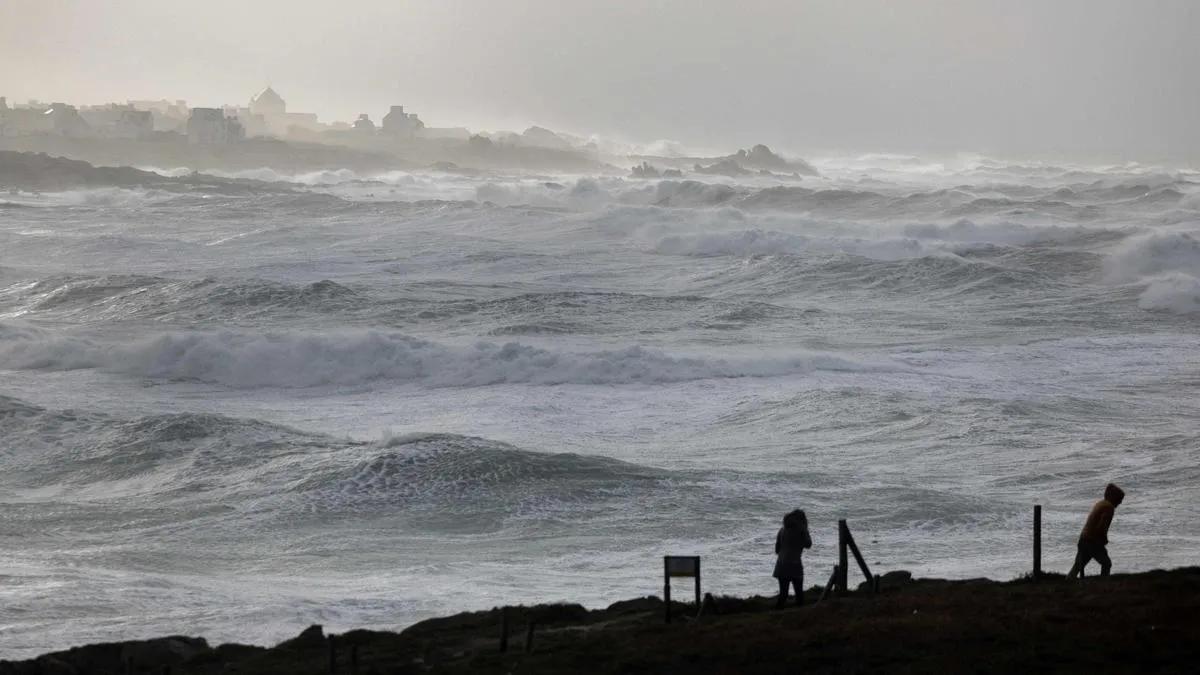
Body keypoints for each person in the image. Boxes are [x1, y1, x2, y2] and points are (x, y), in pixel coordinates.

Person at [1067, 483, 1125, 579]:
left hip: (1084, 538)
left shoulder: (1101, 503)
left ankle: (1067, 584)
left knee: (1078, 565)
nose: (1120, 502)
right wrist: (1103, 539)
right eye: (1119, 499)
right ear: (1113, 497)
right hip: (1092, 540)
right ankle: (1103, 584)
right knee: (1106, 563)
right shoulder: (1109, 507)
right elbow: (1102, 526)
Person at [773, 509, 812, 608]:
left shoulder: (782, 530)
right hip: (795, 564)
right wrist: (805, 529)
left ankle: (775, 614)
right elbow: (808, 544)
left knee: (783, 594)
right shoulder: (801, 530)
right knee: (799, 595)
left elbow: (777, 550)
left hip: (781, 564)